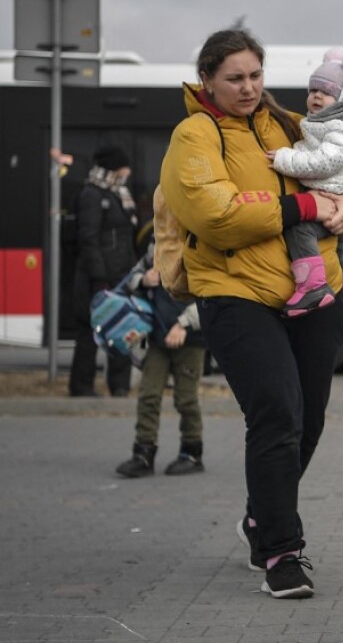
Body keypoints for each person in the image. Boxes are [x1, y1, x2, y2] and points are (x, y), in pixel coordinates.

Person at [160, 28, 343, 599]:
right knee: (278, 415)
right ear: (207, 79)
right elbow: (218, 216)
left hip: (316, 293)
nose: (249, 87)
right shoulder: (195, 135)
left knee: (308, 423)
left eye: (255, 75)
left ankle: (261, 517)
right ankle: (282, 550)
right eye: (235, 78)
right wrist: (308, 203)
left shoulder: (286, 122)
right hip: (236, 294)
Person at [266, 48, 343, 322]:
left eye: (325, 92)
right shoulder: (327, 124)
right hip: (340, 196)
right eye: (312, 91)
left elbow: (324, 162)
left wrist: (287, 158)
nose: (316, 97)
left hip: (331, 196)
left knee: (299, 231)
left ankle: (312, 286)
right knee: (338, 250)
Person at [113, 240, 206, 478]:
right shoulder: (156, 248)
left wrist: (184, 325)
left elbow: (210, 293)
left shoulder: (201, 243)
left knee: (186, 399)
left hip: (190, 338)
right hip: (157, 336)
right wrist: (143, 280)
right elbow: (130, 280)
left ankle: (192, 452)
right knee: (148, 395)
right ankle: (143, 453)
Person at [68, 146, 139, 398]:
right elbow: (88, 239)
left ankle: (119, 386)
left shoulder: (119, 193)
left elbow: (125, 239)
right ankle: (81, 387)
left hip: (121, 276)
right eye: (124, 167)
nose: (128, 172)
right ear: (114, 168)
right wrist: (99, 279)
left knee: (121, 330)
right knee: (89, 331)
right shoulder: (92, 195)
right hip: (96, 278)